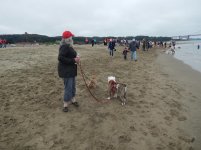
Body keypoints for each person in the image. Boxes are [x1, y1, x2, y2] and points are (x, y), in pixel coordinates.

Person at [58, 30, 80, 112]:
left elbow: (71, 55)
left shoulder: (69, 46)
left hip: (71, 70)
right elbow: (60, 58)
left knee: (73, 86)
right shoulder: (64, 46)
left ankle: (73, 99)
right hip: (66, 71)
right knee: (68, 87)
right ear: (68, 38)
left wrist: (76, 57)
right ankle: (65, 103)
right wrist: (73, 60)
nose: (72, 38)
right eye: (71, 37)